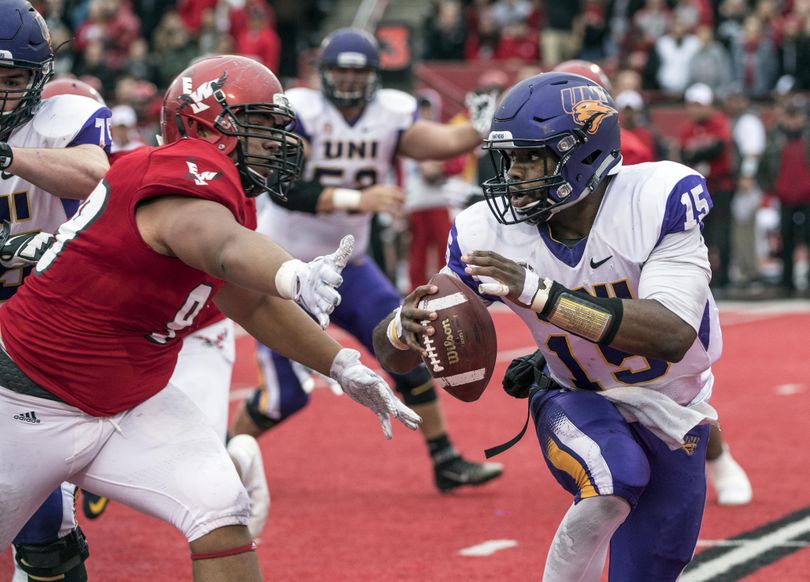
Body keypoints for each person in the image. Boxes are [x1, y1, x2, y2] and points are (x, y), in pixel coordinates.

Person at [0, 53, 421, 582]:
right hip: (30, 400)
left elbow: (248, 300)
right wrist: (292, 271)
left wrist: (341, 365)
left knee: (221, 510)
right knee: (45, 555)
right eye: (262, 126)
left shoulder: (226, 195)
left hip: (130, 402)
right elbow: (218, 246)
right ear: (208, 124)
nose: (276, 144)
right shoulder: (178, 171)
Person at [374, 72, 723, 579]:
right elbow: (398, 353)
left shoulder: (656, 198)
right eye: (509, 158)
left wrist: (540, 294)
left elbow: (671, 333)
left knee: (653, 566)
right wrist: (403, 329)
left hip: (674, 404)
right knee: (613, 478)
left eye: (529, 157)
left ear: (580, 154)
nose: (513, 174)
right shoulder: (488, 229)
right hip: (573, 395)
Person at [229, 27, 503, 492]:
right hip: (284, 266)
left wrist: (475, 131)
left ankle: (445, 459)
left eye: (358, 73)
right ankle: (221, 457)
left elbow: (432, 141)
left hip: (347, 265)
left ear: (375, 76)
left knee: (406, 341)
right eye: (340, 71)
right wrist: (360, 199)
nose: (349, 82)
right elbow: (289, 187)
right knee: (286, 397)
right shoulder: (304, 113)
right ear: (323, 74)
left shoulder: (390, 114)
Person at [555, 60, 752, 506]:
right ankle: (610, 468)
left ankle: (716, 456)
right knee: (586, 376)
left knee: (676, 386)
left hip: (644, 273)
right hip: (582, 274)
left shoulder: (637, 150)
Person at [0, 3, 112, 580]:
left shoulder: (63, 119)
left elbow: (97, 175)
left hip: (34, 333)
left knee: (45, 528)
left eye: (11, 80)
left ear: (38, 80)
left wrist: (9, 154)